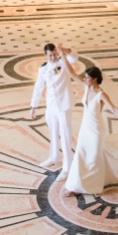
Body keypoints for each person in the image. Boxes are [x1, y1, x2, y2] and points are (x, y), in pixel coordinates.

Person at [62, 64, 118, 196]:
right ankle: (74, 186)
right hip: (85, 128)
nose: (85, 79)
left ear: (95, 79)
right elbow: (72, 74)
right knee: (81, 154)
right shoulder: (86, 87)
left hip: (96, 129)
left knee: (95, 156)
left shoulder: (101, 94)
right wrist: (63, 55)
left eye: (88, 77)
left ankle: (95, 187)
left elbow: (114, 109)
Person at [29, 42, 80, 172]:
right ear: (46, 56)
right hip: (51, 105)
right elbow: (38, 87)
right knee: (53, 132)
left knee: (65, 134)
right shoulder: (43, 68)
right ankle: (54, 157)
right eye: (50, 56)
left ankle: (68, 165)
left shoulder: (63, 62)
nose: (53, 57)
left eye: (54, 54)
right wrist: (33, 106)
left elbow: (75, 56)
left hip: (63, 104)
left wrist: (65, 50)